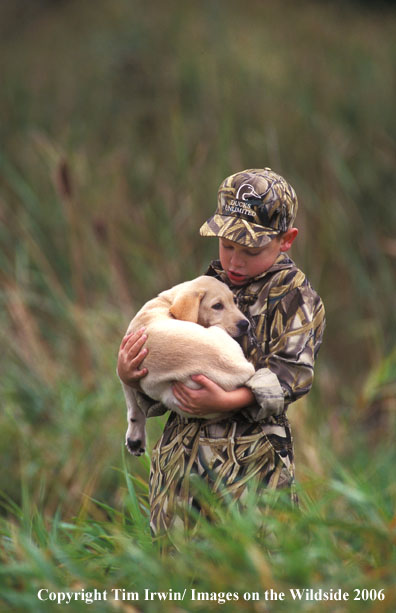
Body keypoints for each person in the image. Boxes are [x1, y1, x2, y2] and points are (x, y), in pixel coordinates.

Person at [117, 168, 325, 536]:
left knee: (244, 579)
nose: (235, 261)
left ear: (286, 240)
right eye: (227, 245)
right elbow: (175, 375)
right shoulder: (206, 286)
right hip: (179, 471)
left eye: (250, 250)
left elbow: (294, 375)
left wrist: (229, 400)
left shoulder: (295, 298)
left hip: (248, 470)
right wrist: (133, 374)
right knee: (176, 580)